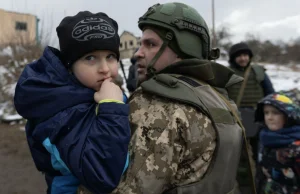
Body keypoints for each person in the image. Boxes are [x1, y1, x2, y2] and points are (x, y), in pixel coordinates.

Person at [78, 2, 254, 194]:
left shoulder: (158, 106)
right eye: (140, 43)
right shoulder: (218, 96)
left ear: (183, 49)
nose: (138, 53)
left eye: (150, 44)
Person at [14, 11, 130, 194]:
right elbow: (103, 174)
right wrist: (112, 107)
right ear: (69, 66)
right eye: (90, 58)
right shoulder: (60, 111)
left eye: (110, 57)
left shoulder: (92, 92)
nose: (105, 69)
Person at [255, 93, 300, 193]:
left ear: (288, 115)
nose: (269, 117)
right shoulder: (264, 139)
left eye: (275, 113)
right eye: (266, 113)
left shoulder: (296, 146)